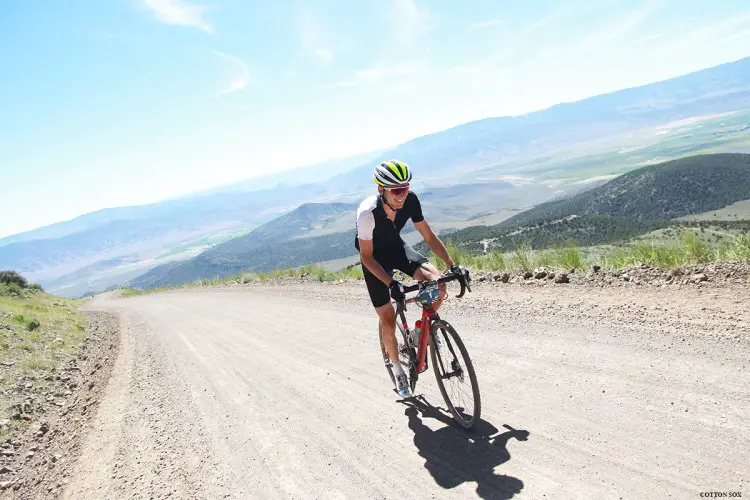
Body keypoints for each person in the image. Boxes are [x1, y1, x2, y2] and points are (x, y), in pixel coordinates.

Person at [355, 160, 463, 398]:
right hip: (374, 259)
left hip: (395, 248)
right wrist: (391, 283)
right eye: (396, 190)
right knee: (388, 319)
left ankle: (421, 330)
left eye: (405, 188)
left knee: (437, 281)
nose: (402, 195)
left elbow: (429, 236)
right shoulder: (367, 213)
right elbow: (366, 256)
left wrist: (452, 265)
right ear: (380, 190)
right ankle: (398, 370)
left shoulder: (411, 200)